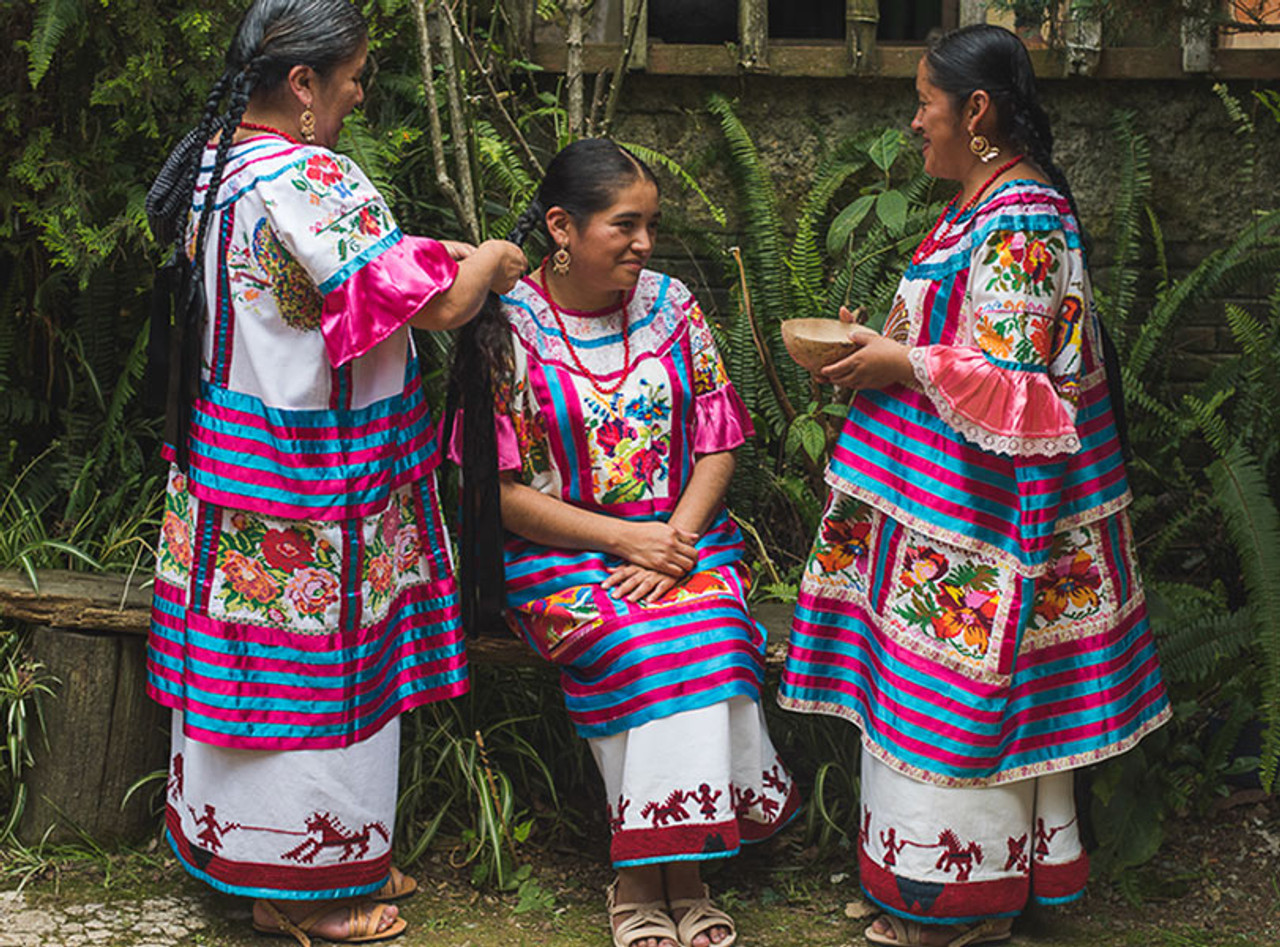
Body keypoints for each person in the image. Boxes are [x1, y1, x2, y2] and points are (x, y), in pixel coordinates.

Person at [777, 25, 1171, 947]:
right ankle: (930, 889)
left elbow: (1017, 379)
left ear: (978, 110)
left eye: (925, 102)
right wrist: (878, 349)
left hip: (991, 515)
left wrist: (896, 362)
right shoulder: (975, 205)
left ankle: (966, 908)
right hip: (941, 500)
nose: (915, 121)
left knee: (967, 696)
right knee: (924, 688)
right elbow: (957, 346)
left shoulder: (1023, 215)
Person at [143, 2, 525, 943]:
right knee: (320, 658)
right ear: (304, 84)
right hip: (315, 466)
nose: (360, 88)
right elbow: (423, 303)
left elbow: (341, 278)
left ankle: (242, 845)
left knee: (244, 650)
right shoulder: (313, 170)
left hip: (228, 446)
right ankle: (306, 884)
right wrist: (491, 267)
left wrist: (437, 265)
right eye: (351, 73)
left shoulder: (212, 160)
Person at [449, 138, 799, 947]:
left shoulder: (672, 305)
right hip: (558, 555)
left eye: (652, 225)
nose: (645, 244)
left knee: (712, 633)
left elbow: (719, 442)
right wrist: (624, 541)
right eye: (626, 225)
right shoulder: (505, 326)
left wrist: (671, 540)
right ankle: (649, 874)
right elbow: (497, 494)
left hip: (686, 542)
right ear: (562, 227)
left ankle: (682, 869)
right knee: (640, 643)